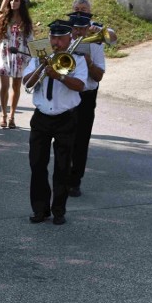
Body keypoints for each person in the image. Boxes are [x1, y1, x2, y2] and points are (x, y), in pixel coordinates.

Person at [22, 20, 88, 225]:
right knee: (37, 164)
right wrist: (40, 68)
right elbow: (27, 83)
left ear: (70, 39)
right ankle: (40, 209)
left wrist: (58, 76)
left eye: (60, 38)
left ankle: (59, 210)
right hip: (41, 117)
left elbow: (80, 86)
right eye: (53, 38)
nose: (56, 42)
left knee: (62, 166)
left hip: (66, 118)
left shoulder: (77, 59)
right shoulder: (39, 55)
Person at [67, 12, 106, 197]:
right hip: (67, 94)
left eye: (82, 29)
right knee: (64, 138)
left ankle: (75, 181)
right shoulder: (64, 42)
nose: (79, 33)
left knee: (81, 140)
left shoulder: (95, 45)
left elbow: (98, 76)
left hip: (87, 96)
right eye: (75, 29)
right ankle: (62, 177)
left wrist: (89, 63)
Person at [0, 0, 34, 129]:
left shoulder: (26, 21)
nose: (13, 2)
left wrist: (34, 55)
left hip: (19, 55)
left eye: (16, 0)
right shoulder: (3, 18)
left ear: (21, 3)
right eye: (11, 0)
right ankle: (3, 114)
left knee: (16, 86)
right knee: (5, 85)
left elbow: (30, 39)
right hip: (4, 54)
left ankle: (12, 115)